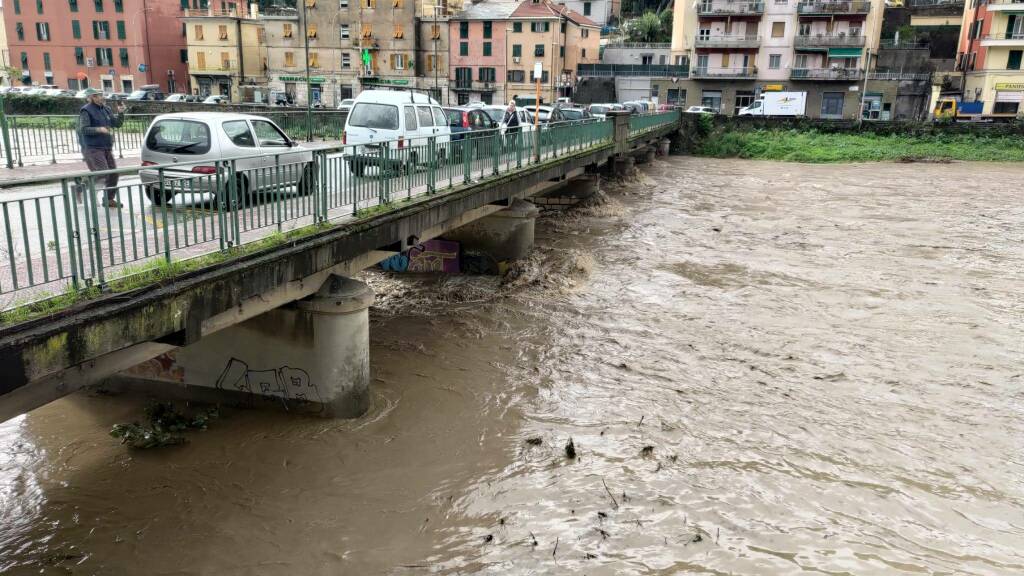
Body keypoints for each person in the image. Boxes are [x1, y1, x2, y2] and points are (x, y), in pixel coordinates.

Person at [77, 88, 126, 208]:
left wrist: (120, 112)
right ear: (92, 97)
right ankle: (80, 189)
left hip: (106, 146)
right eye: (99, 95)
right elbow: (84, 129)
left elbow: (117, 124)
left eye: (102, 95)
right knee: (103, 171)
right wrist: (99, 129)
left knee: (114, 173)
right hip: (92, 147)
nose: (102, 97)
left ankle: (109, 199)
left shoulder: (106, 109)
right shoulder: (86, 110)